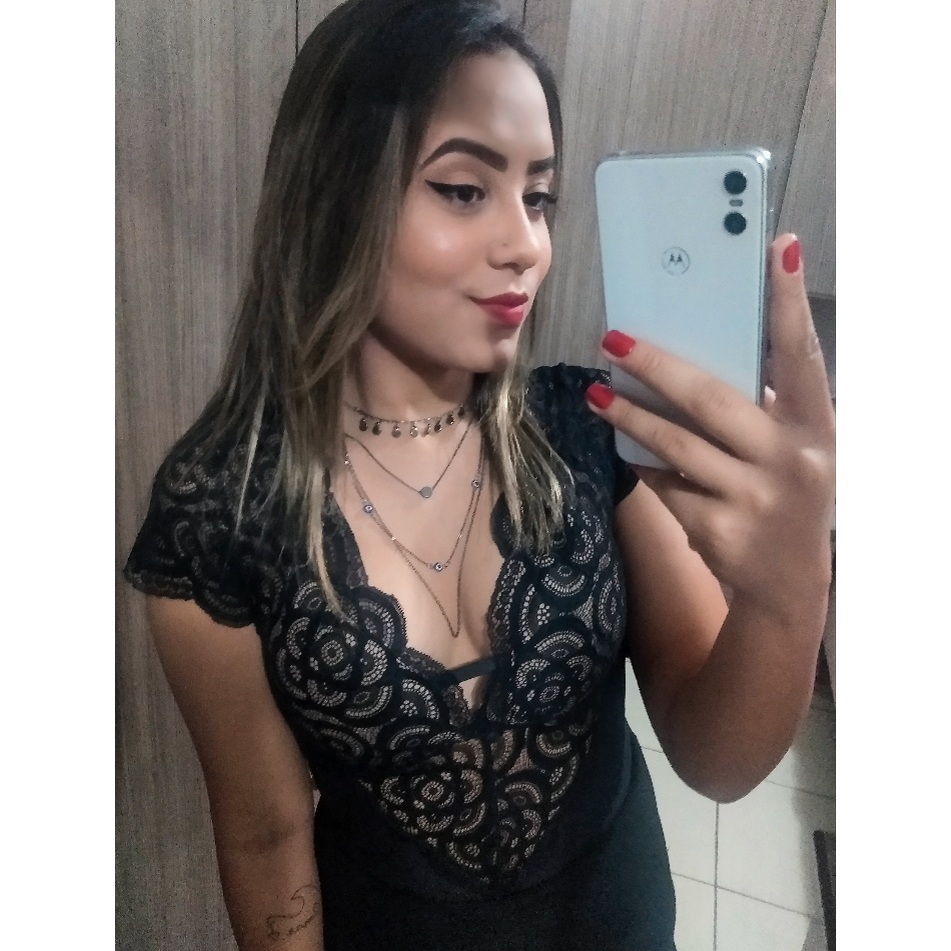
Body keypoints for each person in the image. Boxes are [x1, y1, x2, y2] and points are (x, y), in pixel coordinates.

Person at [123, 0, 835, 948]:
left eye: (538, 196)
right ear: (332, 195)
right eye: (465, 189)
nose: (527, 244)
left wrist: (790, 587)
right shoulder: (216, 512)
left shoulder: (586, 428)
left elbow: (719, 760)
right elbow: (263, 831)